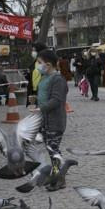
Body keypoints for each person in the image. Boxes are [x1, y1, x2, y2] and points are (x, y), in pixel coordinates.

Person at [29, 50, 68, 191]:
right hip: (45, 121)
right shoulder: (44, 77)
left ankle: (60, 179)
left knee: (53, 150)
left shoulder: (58, 79)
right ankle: (56, 175)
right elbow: (45, 96)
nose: (38, 65)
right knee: (51, 149)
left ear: (49, 64)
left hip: (55, 122)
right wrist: (36, 100)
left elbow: (56, 100)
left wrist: (41, 108)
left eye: (40, 62)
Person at [26, 42, 46, 107]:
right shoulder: (35, 62)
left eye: (34, 50)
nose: (32, 52)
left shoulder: (46, 62)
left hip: (44, 91)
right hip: (35, 91)